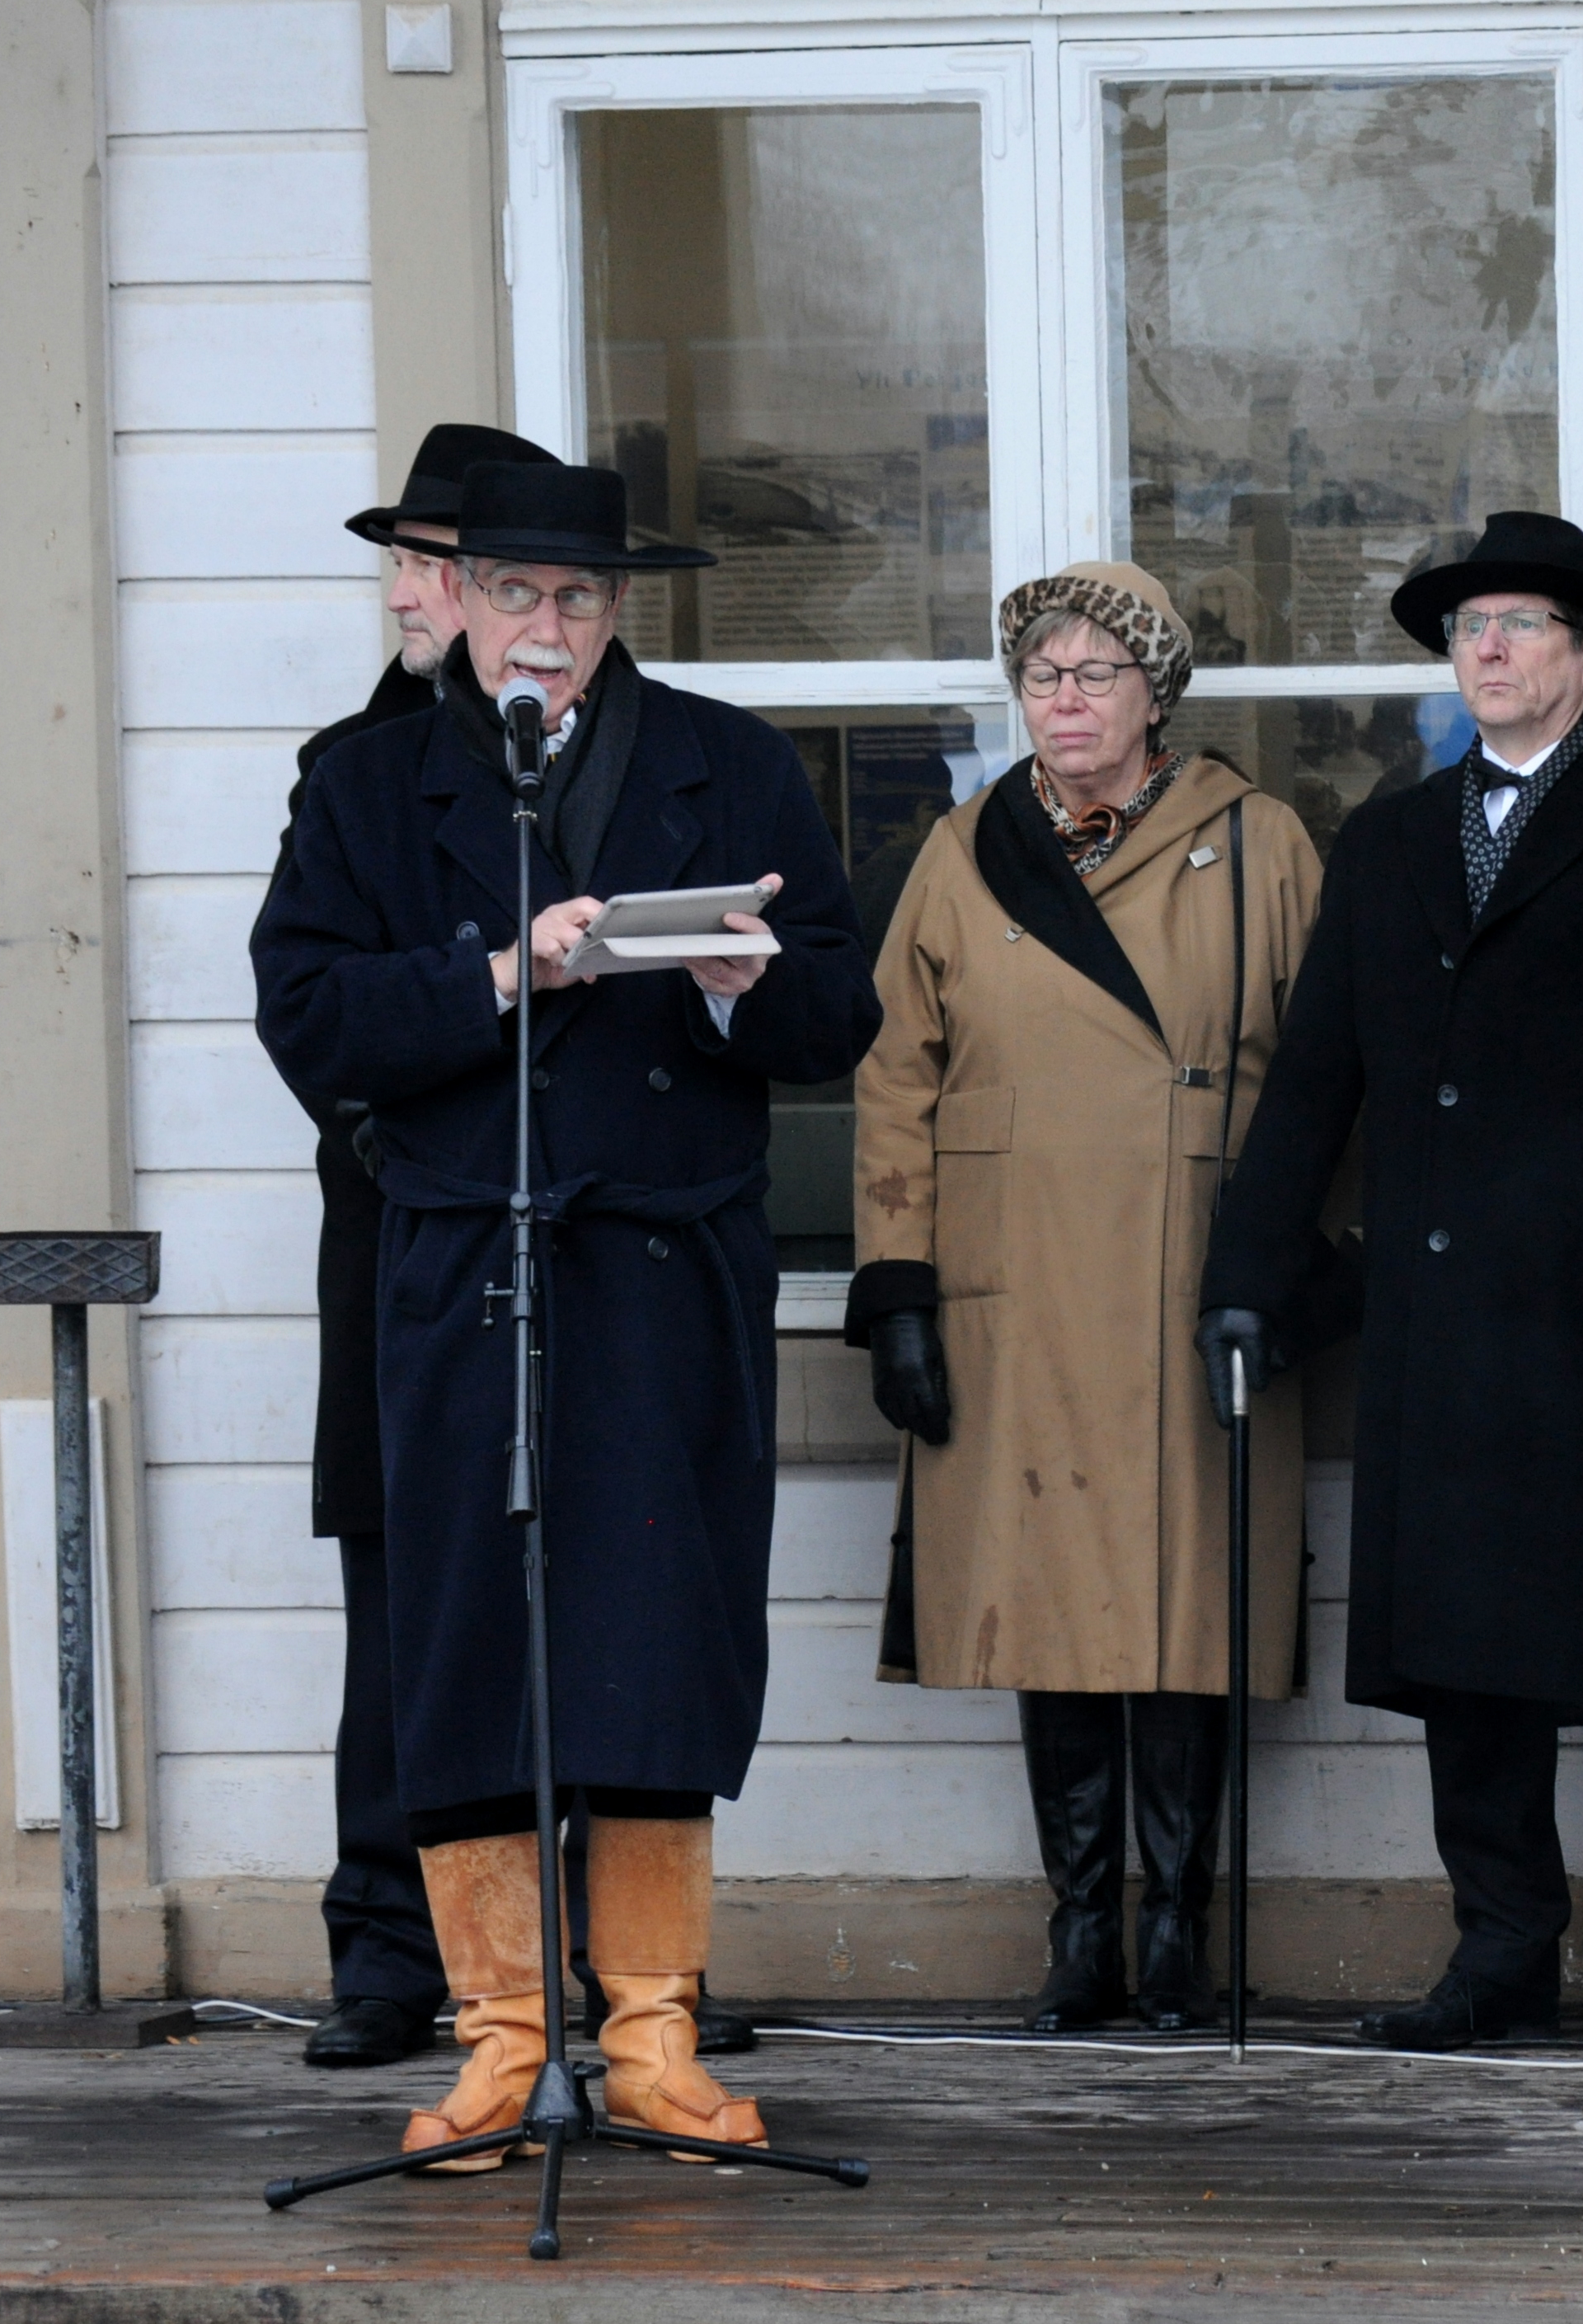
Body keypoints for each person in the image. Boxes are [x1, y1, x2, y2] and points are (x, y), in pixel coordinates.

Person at [252, 460, 883, 2166]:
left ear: (619, 611)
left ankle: (655, 2035)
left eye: (582, 599)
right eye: (520, 592)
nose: (550, 626)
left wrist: (754, 991)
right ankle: (498, 2040)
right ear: (454, 596)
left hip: (666, 1265)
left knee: (652, 1646)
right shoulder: (367, 784)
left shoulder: (727, 760)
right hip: (468, 1272)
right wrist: (499, 973)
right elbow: (306, 1011)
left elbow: (840, 1004)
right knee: (469, 1649)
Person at [1197, 512, 1583, 2058]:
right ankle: (1502, 1945)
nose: (1492, 649)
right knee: (1466, 1654)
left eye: (1524, 624)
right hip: (1439, 1321)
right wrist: (1249, 1274)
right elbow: (1315, 1075)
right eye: (1471, 628)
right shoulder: (1390, 837)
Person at [845, 562, 1325, 2033]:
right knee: (1045, 1604)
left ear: (1154, 696)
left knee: (1183, 1607)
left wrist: (1299, 1261)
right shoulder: (960, 850)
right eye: (1042, 676)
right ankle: (1079, 1928)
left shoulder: (1259, 844)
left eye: (1095, 675)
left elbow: (1324, 1081)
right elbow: (894, 1077)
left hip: (1191, 1270)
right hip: (1017, 1280)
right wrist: (901, 1285)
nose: (1064, 699)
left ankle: (1173, 1927)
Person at [277, 421, 554, 2068]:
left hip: (569, 1239)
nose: (404, 589)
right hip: (406, 1248)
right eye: (401, 561)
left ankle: (585, 1955)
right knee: (409, 1611)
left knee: (578, 1602)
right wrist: (406, 1135)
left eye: (428, 561)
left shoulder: (598, 762)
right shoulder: (355, 770)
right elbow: (316, 1014)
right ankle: (390, 1945)